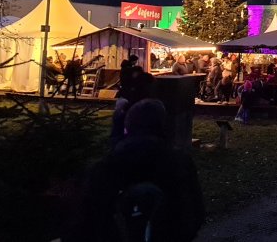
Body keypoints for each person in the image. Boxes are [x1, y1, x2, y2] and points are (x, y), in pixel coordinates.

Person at [79, 99, 205, 241]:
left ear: (128, 126)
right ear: (163, 126)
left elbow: (86, 219)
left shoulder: (106, 166)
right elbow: (195, 212)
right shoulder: (179, 162)